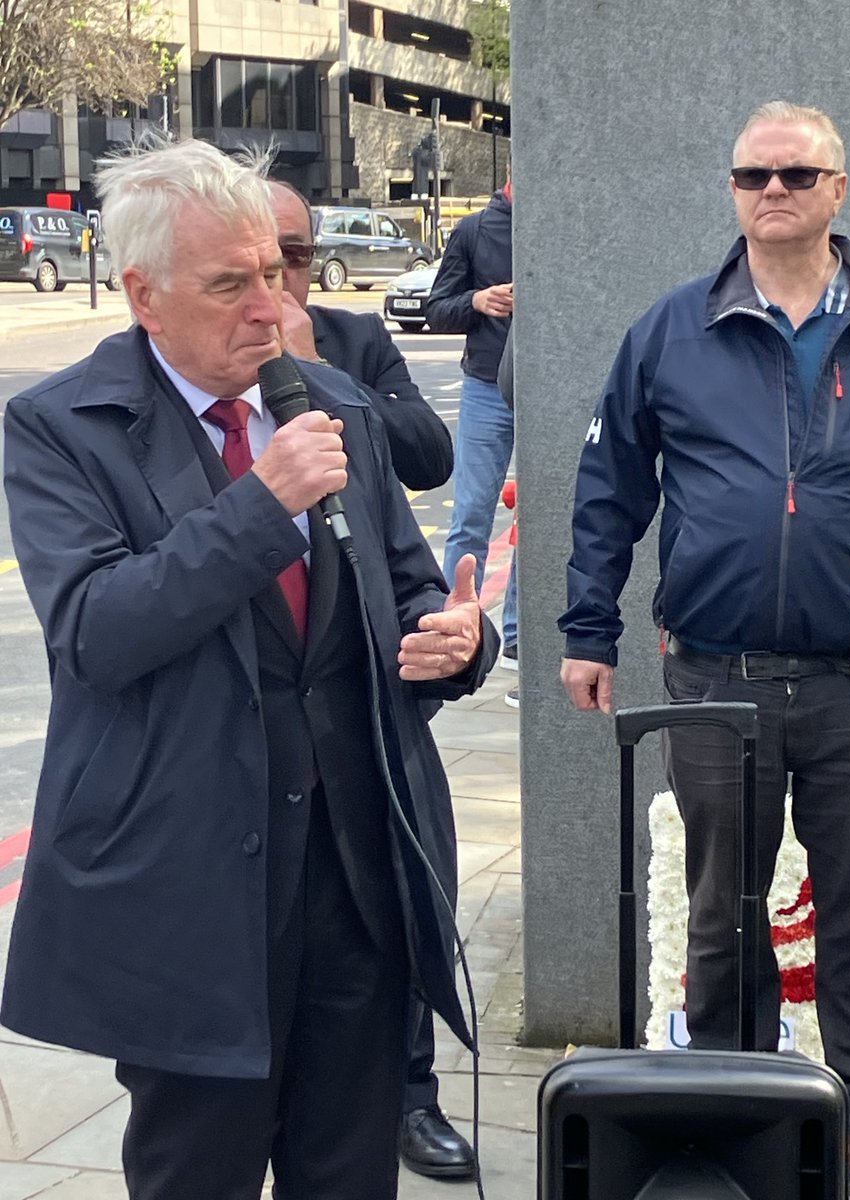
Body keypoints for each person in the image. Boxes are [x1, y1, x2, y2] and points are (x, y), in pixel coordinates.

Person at [1, 135, 499, 1200]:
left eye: (275, 273)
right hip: (195, 884)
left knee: (348, 1170)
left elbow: (405, 583)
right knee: (200, 1171)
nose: (269, 310)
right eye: (230, 285)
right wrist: (259, 505)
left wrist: (455, 641)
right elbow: (96, 631)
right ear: (143, 295)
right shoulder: (61, 428)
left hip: (354, 868)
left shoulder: (330, 399)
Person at [559, 100, 850, 1199]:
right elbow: (609, 488)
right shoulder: (672, 329)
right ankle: (733, 1104)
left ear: (840, 190)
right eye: (754, 174)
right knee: (722, 906)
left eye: (799, 175)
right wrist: (586, 628)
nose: (775, 191)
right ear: (734, 190)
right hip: (716, 675)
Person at [269, 178, 476, 1180]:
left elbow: (432, 456)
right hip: (268, 762)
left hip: (371, 729)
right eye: (256, 259)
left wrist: (312, 382)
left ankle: (413, 1094)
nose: (280, 279)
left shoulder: (350, 345)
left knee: (390, 923)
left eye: (296, 256)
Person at [268, 180, 453, 494]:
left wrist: (319, 370)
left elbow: (432, 463)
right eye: (262, 257)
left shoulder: (358, 338)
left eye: (294, 254)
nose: (276, 272)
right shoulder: (197, 349)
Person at [425, 162, 517, 681]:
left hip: (543, 389)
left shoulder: (562, 223)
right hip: (486, 387)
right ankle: (452, 630)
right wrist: (478, 301)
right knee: (471, 515)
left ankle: (518, 639)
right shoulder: (476, 229)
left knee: (539, 519)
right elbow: (436, 309)